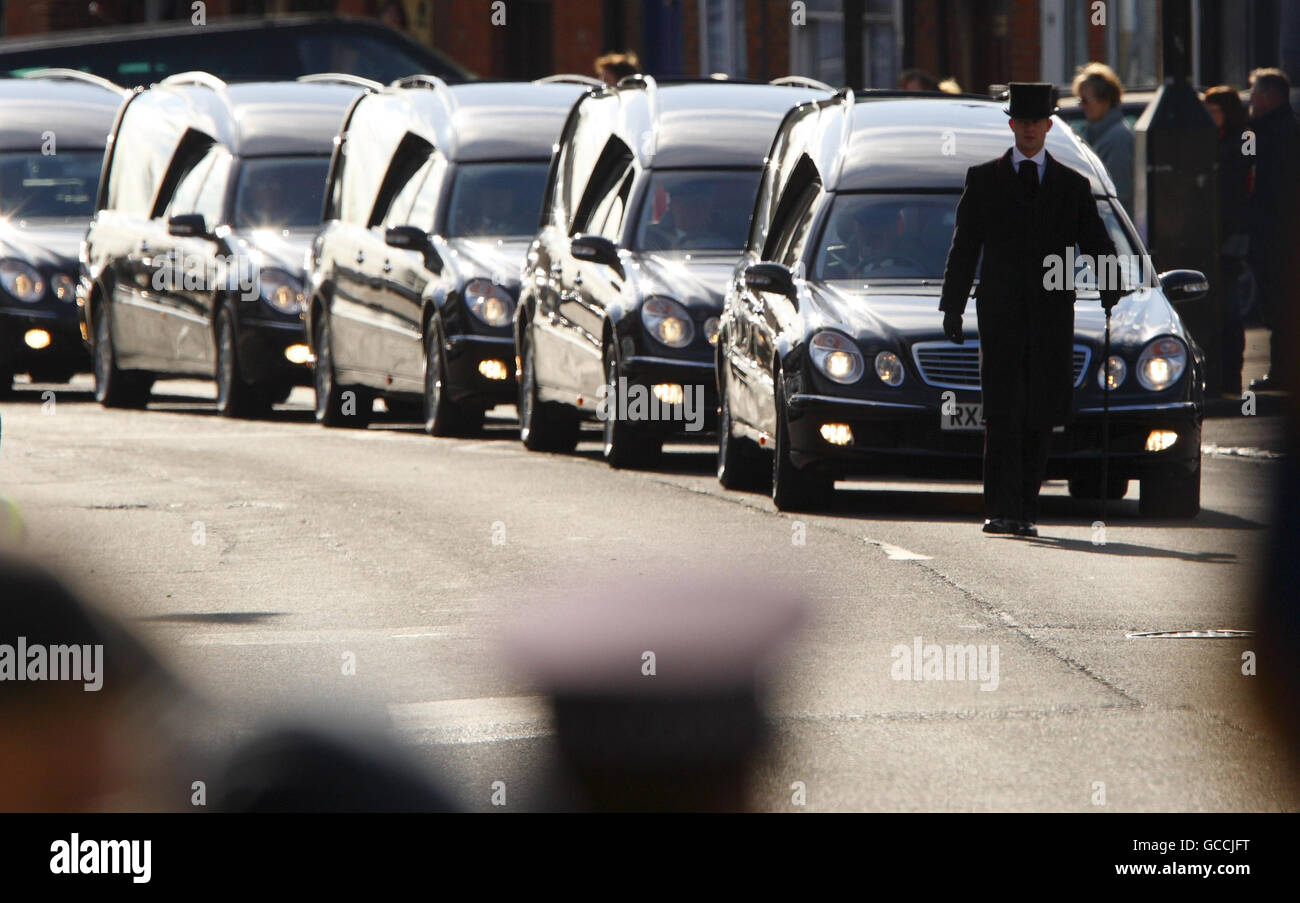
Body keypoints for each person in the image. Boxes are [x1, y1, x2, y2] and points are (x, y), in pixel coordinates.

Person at [939, 83, 1123, 538]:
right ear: (1012, 126)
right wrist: (953, 307)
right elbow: (964, 248)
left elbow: (1096, 241)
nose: (1028, 131)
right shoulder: (983, 179)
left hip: (1050, 317)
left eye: (1036, 124)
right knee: (1002, 412)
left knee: (1040, 413)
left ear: (1048, 127)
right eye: (1021, 123)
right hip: (1000, 316)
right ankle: (1000, 508)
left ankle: (1025, 509)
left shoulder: (1071, 186)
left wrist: (1111, 285)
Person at [1245, 68, 1300, 392]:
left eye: (1254, 94)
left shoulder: (1272, 135)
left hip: (1277, 237)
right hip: (1278, 235)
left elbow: (1272, 192)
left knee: (1279, 305)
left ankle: (1281, 371)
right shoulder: (1281, 130)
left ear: (1269, 96)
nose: (1251, 100)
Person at [1204, 85, 1253, 395]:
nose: (1211, 119)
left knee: (1230, 309)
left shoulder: (1243, 141)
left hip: (1233, 233)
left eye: (1215, 112)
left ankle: (1231, 376)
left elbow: (1240, 184)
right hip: (1217, 234)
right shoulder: (1218, 141)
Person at [1072, 62, 1134, 214]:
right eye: (1080, 101)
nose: (1082, 106)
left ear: (1105, 100)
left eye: (1085, 100)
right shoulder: (1091, 135)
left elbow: (1119, 194)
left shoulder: (1118, 139)